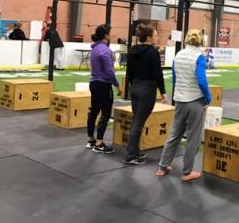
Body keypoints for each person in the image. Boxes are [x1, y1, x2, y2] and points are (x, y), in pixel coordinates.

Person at [156, 29, 211, 181]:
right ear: (201, 41)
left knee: (174, 134)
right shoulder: (200, 57)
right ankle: (187, 172)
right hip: (195, 101)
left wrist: (180, 92)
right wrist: (208, 97)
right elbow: (201, 80)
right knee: (193, 137)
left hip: (180, 100)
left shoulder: (178, 55)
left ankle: (162, 167)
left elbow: (175, 79)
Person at [124, 24, 167, 165]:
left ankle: (134, 151)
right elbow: (158, 74)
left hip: (135, 87)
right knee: (138, 122)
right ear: (148, 38)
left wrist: (134, 85)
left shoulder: (132, 50)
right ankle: (130, 155)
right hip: (147, 89)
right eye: (155, 36)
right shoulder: (152, 52)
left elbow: (129, 73)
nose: (157, 38)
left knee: (136, 120)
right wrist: (163, 92)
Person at [86, 24, 121, 153]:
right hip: (103, 85)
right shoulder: (105, 50)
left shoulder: (95, 48)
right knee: (105, 113)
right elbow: (109, 71)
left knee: (94, 111)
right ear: (106, 35)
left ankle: (91, 139)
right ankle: (99, 143)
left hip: (94, 83)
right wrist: (117, 85)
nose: (113, 34)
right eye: (111, 33)